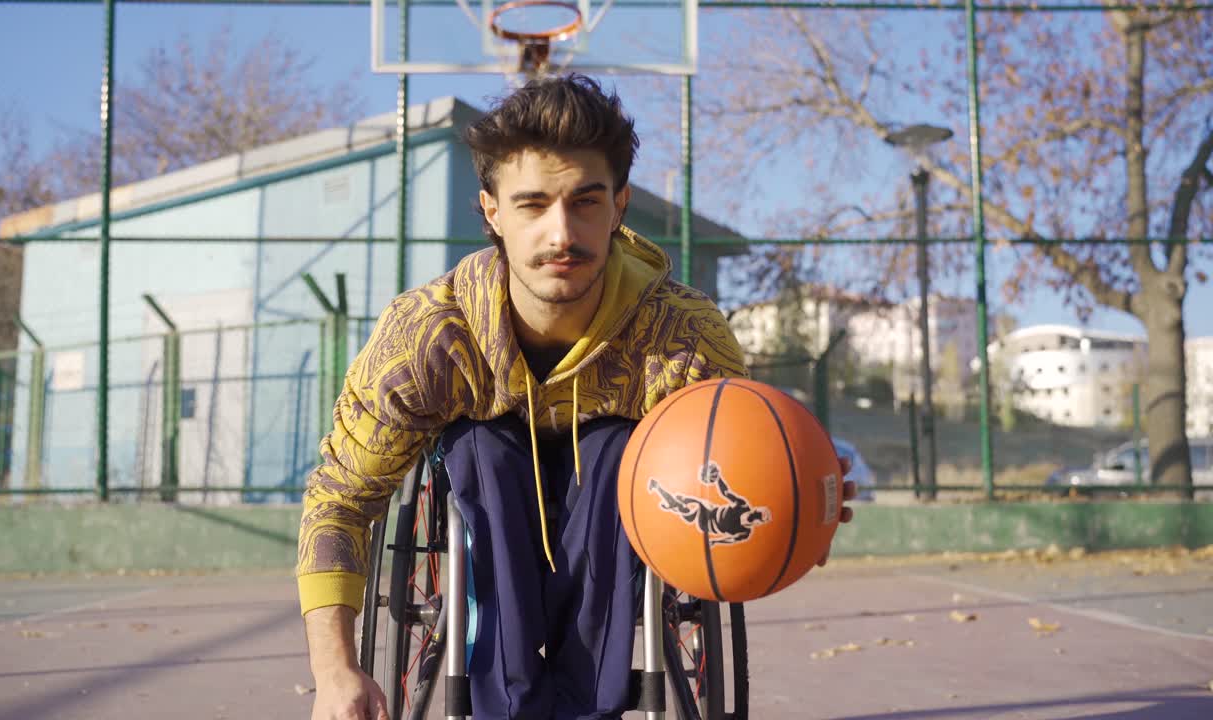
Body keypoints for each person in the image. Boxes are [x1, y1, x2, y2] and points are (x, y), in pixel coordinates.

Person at [298, 74, 856, 720]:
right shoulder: (427, 338)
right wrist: (334, 671)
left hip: (616, 496)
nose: (561, 233)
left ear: (619, 206)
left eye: (585, 201)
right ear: (492, 212)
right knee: (483, 450)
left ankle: (590, 702)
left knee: (621, 449)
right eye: (532, 205)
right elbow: (339, 499)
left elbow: (740, 467)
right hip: (491, 480)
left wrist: (796, 501)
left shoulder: (682, 336)